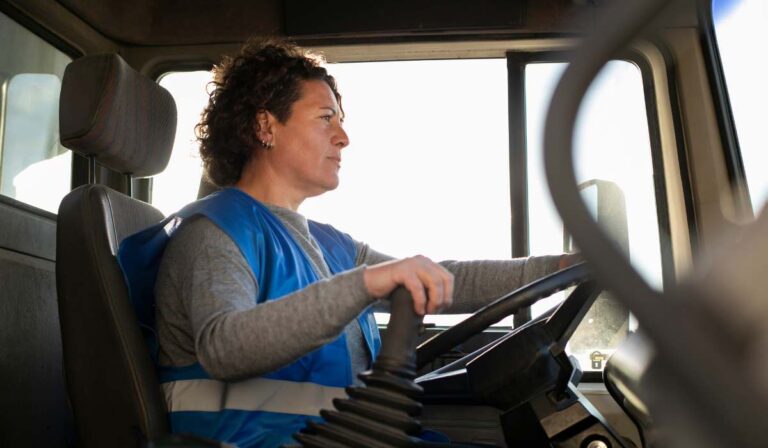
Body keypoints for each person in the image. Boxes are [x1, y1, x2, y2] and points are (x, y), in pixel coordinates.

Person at [118, 38, 573, 448]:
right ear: (264, 126)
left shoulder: (329, 244)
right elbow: (225, 347)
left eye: (340, 120)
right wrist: (366, 284)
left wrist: (560, 269)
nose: (343, 137)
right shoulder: (212, 233)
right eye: (325, 119)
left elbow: (446, 279)